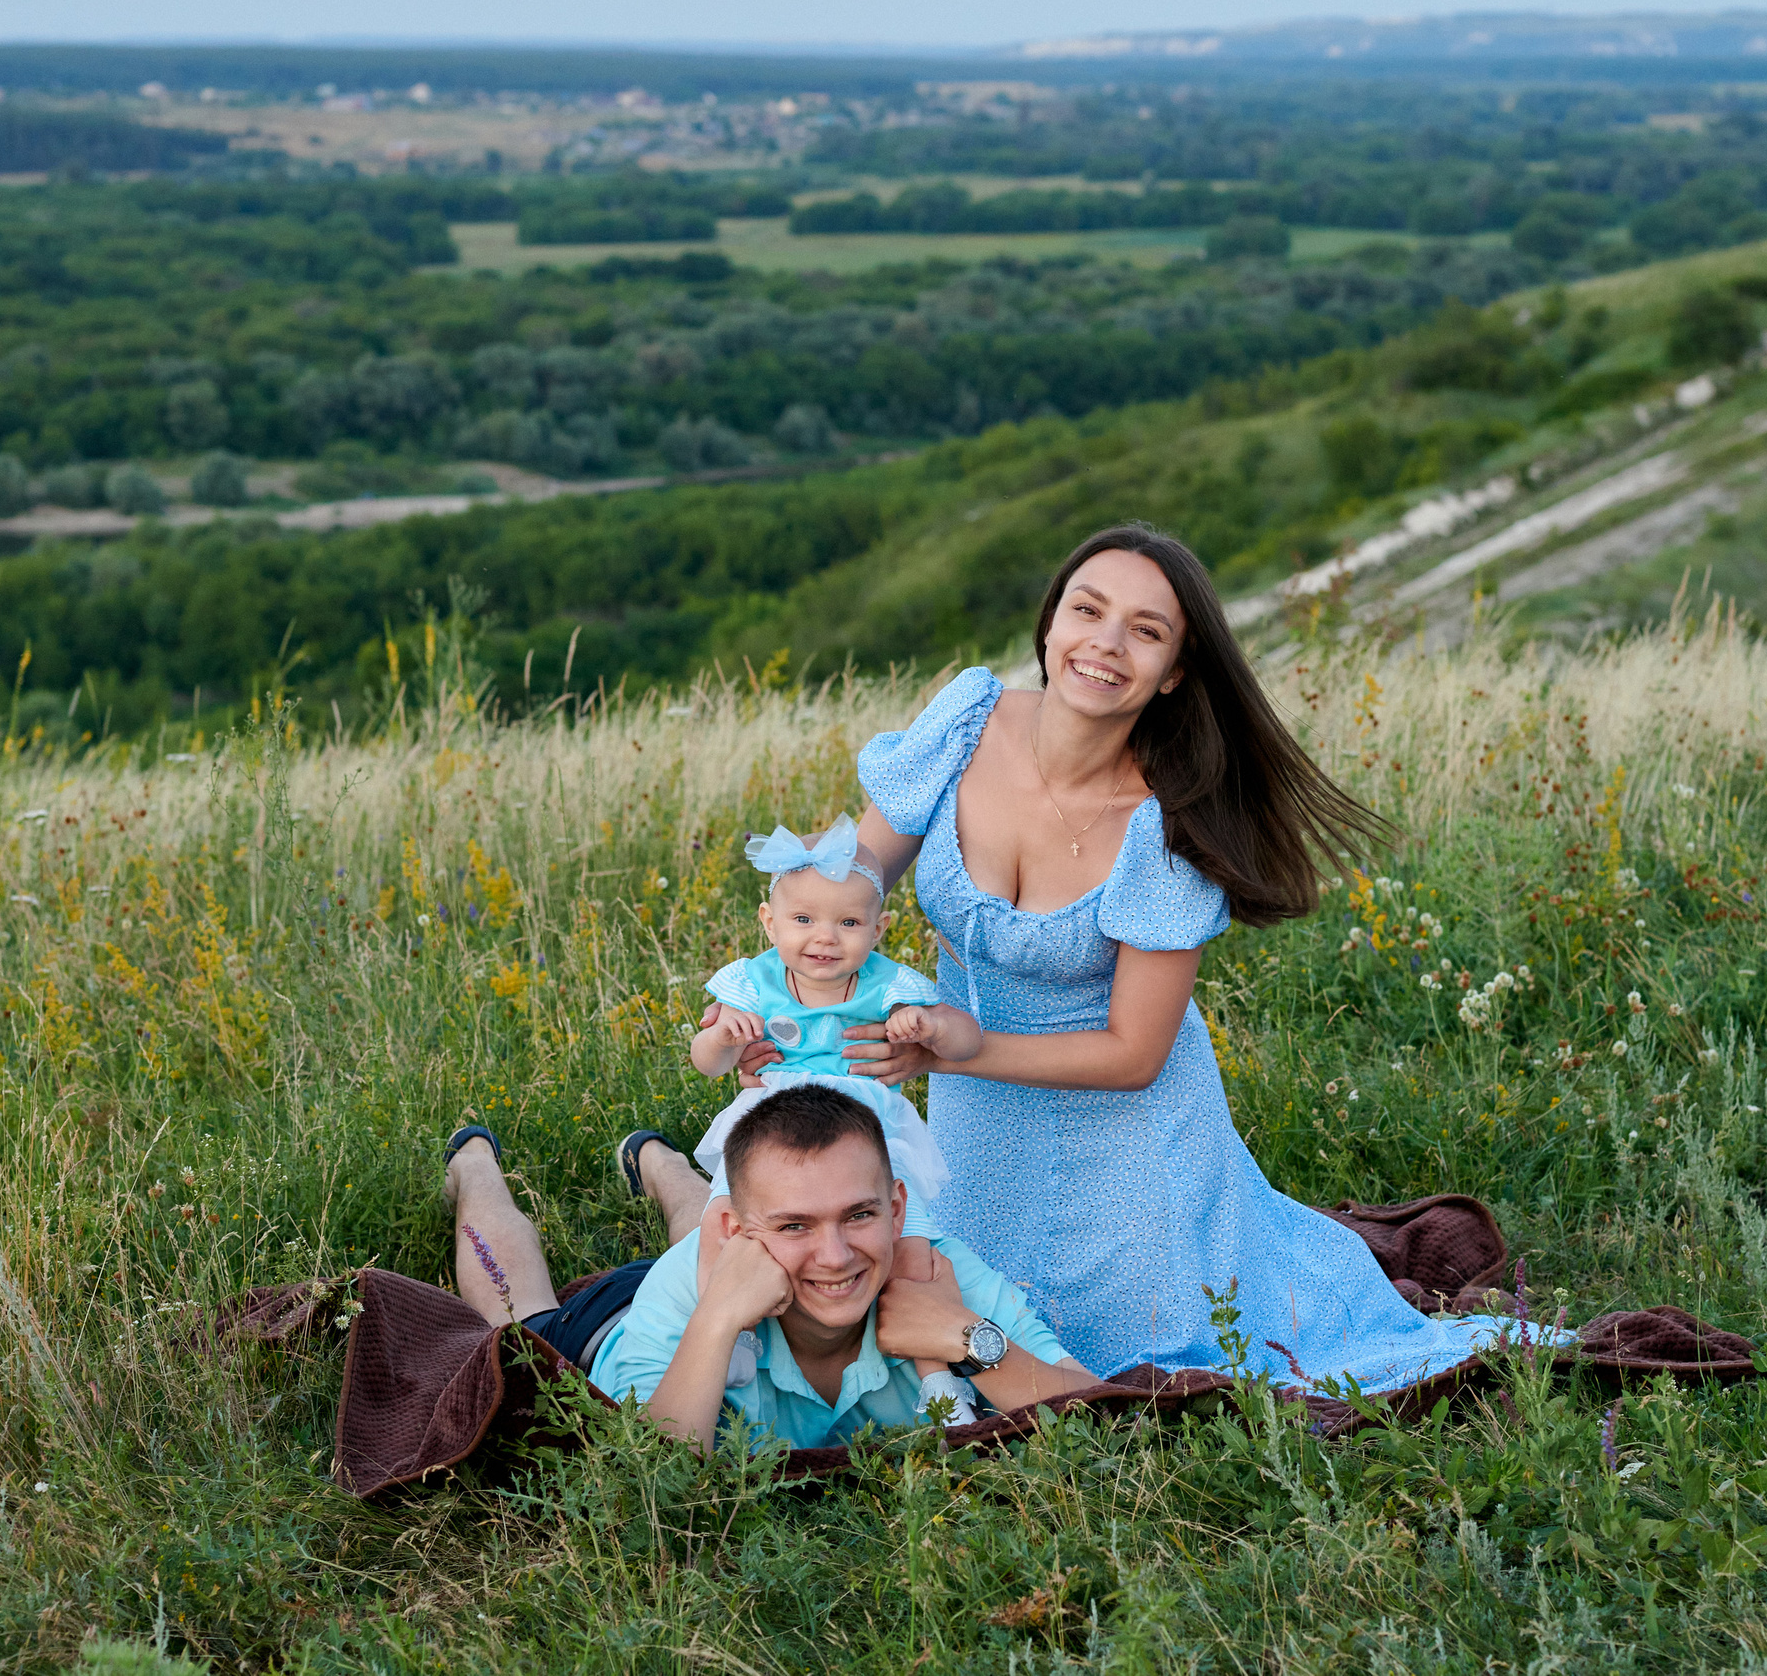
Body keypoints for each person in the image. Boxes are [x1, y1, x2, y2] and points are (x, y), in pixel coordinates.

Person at [829, 522, 1521, 1390]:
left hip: (1126, 1142)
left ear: (1175, 672)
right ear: (1051, 625)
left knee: (1136, 1365)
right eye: (1088, 609)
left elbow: (1135, 1053)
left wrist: (963, 1047)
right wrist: (806, 948)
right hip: (975, 1127)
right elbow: (861, 870)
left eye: (1146, 631)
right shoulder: (969, 717)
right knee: (914, 1315)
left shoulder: (1166, 825)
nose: (1106, 643)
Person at [438, 1085, 1101, 1454]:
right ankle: (473, 1164)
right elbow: (656, 1478)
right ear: (742, 1234)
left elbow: (1106, 1415)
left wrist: (965, 1335)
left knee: (732, 1226)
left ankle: (660, 1164)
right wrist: (720, 1315)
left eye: (859, 1215)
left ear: (898, 1209)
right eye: (796, 1224)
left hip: (731, 1246)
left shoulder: (938, 1273)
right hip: (608, 1324)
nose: (837, 1254)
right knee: (514, 1312)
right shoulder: (696, 1285)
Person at [682, 814, 988, 1404]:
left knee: (911, 1246)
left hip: (870, 1129)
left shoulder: (888, 983)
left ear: (878, 929)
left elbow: (968, 1039)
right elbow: (705, 1061)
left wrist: (929, 1026)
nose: (824, 938)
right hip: (773, 1123)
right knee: (722, 1217)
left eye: (848, 922)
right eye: (803, 920)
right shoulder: (750, 981)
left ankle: (939, 1382)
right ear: (769, 923)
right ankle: (735, 1333)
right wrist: (723, 1039)